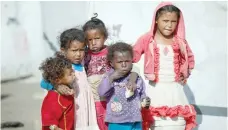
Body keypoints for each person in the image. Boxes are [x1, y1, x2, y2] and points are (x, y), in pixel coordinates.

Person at [133, 2, 197, 130]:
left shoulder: (180, 41)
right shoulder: (147, 38)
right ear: (156, 20)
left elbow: (189, 58)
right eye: (165, 20)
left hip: (175, 89)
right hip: (156, 88)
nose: (169, 25)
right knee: (156, 122)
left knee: (176, 123)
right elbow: (133, 56)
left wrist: (185, 73)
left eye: (173, 21)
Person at [82, 14, 138, 130]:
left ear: (105, 37)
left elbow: (131, 69)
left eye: (97, 38)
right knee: (99, 123)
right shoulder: (84, 55)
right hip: (95, 100)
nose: (93, 43)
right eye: (89, 40)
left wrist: (132, 80)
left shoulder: (111, 52)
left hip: (113, 97)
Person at [40, 28, 98, 130]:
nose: (78, 54)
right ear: (63, 50)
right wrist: (57, 86)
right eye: (74, 50)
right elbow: (43, 83)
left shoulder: (84, 63)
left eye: (81, 50)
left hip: (85, 107)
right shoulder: (61, 67)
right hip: (71, 109)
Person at [98, 42, 150, 130]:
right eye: (119, 62)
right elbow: (101, 92)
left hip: (135, 120)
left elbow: (142, 93)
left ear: (131, 60)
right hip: (117, 121)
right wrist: (112, 78)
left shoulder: (136, 78)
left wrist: (145, 101)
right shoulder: (109, 76)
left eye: (127, 61)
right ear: (111, 63)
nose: (124, 64)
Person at [40, 54, 75, 130]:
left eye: (72, 71)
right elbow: (48, 118)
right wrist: (55, 128)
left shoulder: (67, 91)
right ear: (58, 80)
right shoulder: (54, 98)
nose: (74, 74)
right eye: (70, 74)